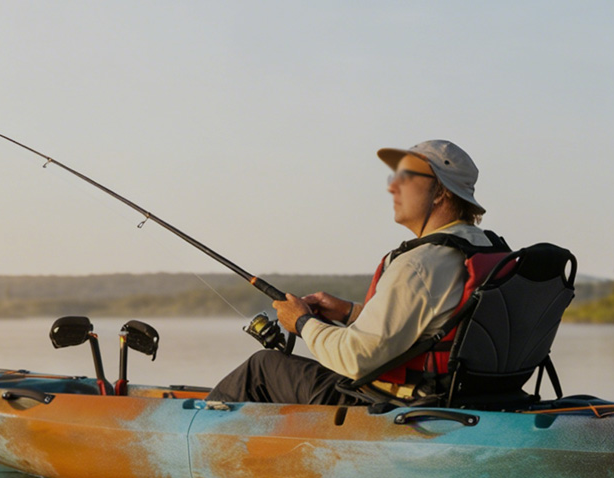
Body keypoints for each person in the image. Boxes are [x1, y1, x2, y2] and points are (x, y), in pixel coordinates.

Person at [206, 140, 497, 404]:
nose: (392, 186)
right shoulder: (481, 248)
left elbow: (356, 358)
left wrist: (302, 322)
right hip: (457, 394)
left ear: (441, 193)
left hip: (396, 404)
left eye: (406, 177)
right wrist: (349, 313)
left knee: (263, 368)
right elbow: (435, 328)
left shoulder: (419, 265)